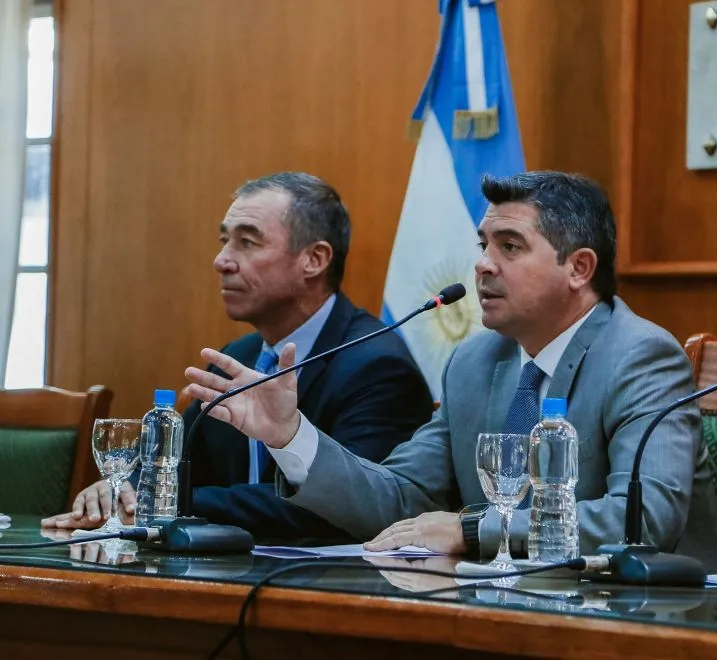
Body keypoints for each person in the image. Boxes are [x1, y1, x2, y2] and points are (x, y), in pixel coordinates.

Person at [185, 171, 717, 568]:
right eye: (484, 245)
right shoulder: (475, 361)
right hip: (501, 605)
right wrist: (290, 436)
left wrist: (471, 529)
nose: (483, 264)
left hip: (651, 615)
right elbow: (400, 497)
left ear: (579, 268)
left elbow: (642, 521)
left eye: (510, 247)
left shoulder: (641, 357)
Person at [43, 172, 433, 538]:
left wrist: (163, 504)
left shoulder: (378, 366)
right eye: (224, 241)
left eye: (247, 242)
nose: (222, 261)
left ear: (314, 260)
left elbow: (341, 506)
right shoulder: (237, 358)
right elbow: (173, 467)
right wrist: (121, 490)